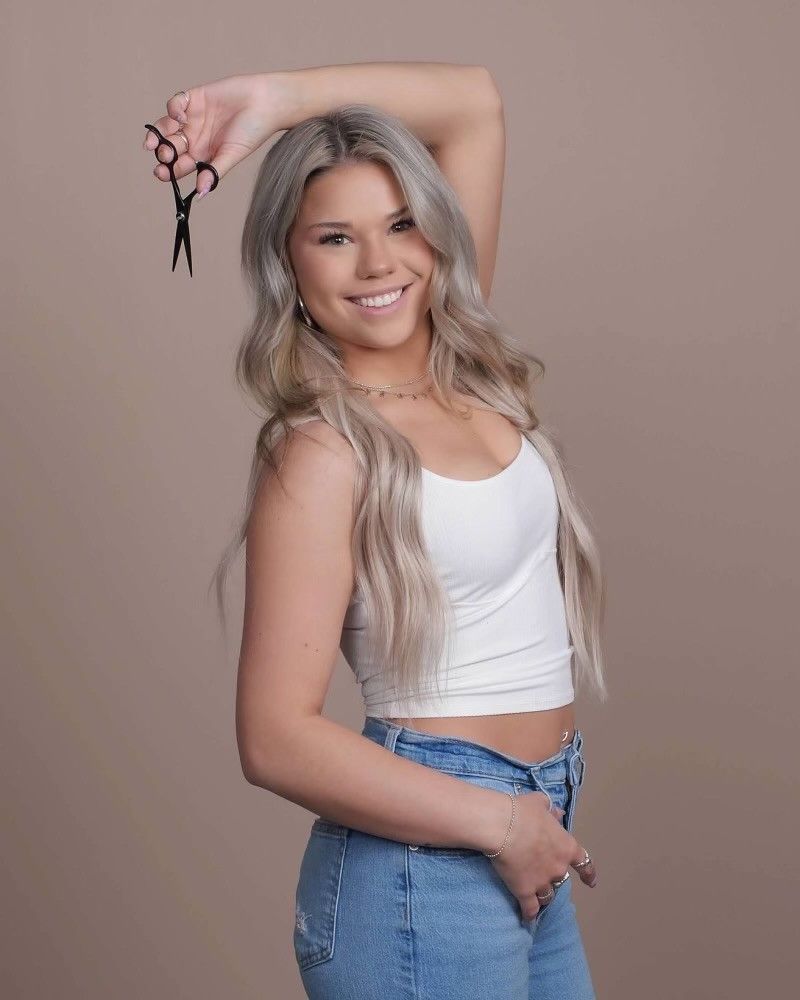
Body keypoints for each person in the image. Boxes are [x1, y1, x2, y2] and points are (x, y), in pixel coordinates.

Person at [143, 61, 608, 999]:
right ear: (289, 263)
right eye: (334, 237)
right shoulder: (323, 451)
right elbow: (274, 738)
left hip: (531, 833)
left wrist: (271, 106)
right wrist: (501, 823)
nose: (379, 264)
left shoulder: (466, 370)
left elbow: (473, 104)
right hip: (425, 873)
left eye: (401, 224)